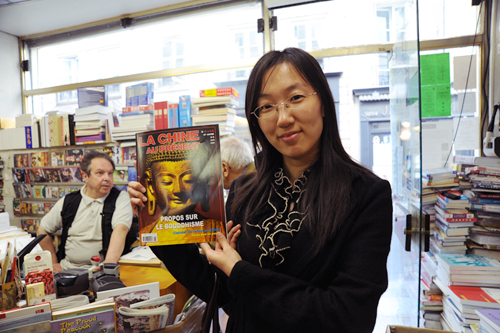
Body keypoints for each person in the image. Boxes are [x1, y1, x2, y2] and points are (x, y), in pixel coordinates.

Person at [128, 47, 392, 332]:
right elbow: (223, 293)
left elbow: (350, 316)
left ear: (324, 103)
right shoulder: (245, 191)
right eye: (266, 106)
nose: (283, 118)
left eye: (296, 98)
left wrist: (240, 271)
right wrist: (156, 224)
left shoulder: (366, 194)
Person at [38, 150, 133, 273]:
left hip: (101, 270)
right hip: (67, 270)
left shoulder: (120, 198)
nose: (107, 178)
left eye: (110, 173)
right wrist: (53, 262)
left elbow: (120, 229)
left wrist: (109, 262)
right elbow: (42, 230)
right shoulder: (69, 201)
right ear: (85, 176)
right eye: (100, 173)